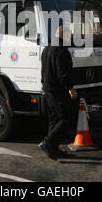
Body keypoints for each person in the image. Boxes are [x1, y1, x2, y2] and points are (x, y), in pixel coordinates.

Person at [39, 26, 77, 160]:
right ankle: (48, 142)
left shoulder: (47, 49)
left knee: (53, 120)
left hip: (47, 89)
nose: (71, 38)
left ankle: (53, 149)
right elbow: (63, 74)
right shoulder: (62, 51)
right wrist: (70, 88)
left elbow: (44, 71)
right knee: (66, 119)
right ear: (65, 36)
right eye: (70, 35)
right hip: (58, 91)